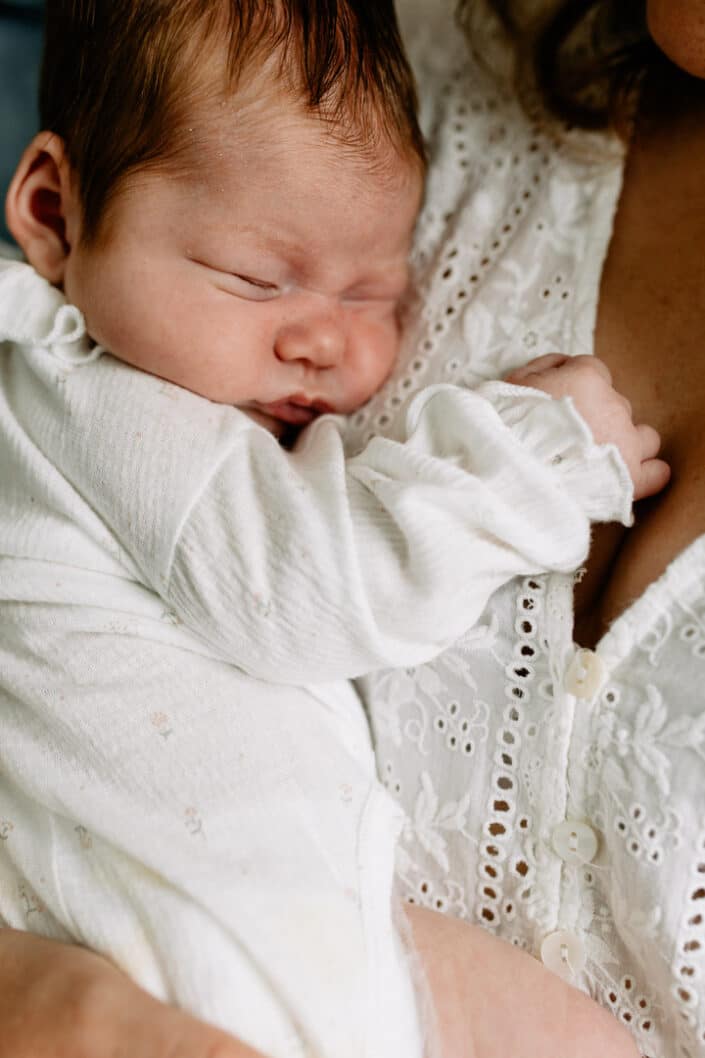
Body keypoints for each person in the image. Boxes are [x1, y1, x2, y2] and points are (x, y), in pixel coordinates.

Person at [0, 0, 698, 1055]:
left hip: (308, 929)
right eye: (256, 279)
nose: (324, 339)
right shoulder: (104, 404)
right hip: (193, 939)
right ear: (53, 213)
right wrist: (524, 461)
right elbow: (307, 587)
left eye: (377, 291)